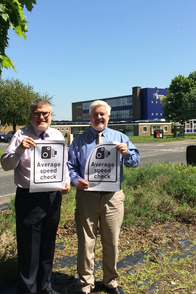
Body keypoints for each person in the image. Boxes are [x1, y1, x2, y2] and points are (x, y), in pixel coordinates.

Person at [67, 100, 140, 294]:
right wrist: (76, 181)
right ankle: (86, 283)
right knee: (85, 241)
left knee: (111, 241)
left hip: (112, 197)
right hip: (87, 198)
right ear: (89, 117)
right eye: (95, 114)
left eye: (102, 114)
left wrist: (126, 154)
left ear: (108, 116)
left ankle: (110, 281)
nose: (99, 117)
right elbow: (70, 167)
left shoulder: (120, 137)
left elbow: (135, 161)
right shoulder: (79, 141)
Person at [0, 98, 71, 294]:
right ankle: (28, 290)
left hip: (52, 198)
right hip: (29, 198)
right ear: (31, 115)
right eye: (37, 113)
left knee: (48, 244)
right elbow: (5, 164)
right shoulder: (20, 135)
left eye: (45, 113)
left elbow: (62, 164)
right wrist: (20, 149)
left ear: (51, 115)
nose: (41, 117)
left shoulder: (57, 135)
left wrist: (66, 181)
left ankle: (45, 287)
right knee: (29, 248)